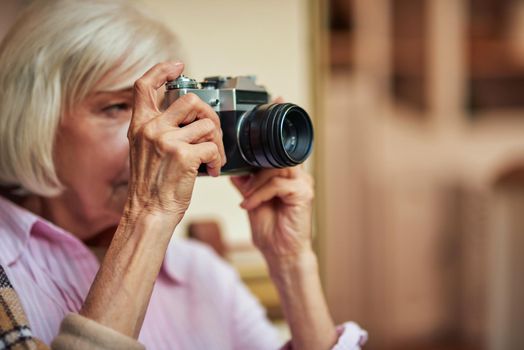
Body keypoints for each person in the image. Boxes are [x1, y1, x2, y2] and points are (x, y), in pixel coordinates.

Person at [0, 1, 367, 349]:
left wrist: (292, 264)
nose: (155, 134)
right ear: (31, 117)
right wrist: (150, 214)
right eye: (115, 107)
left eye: (165, 109)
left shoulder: (200, 273)